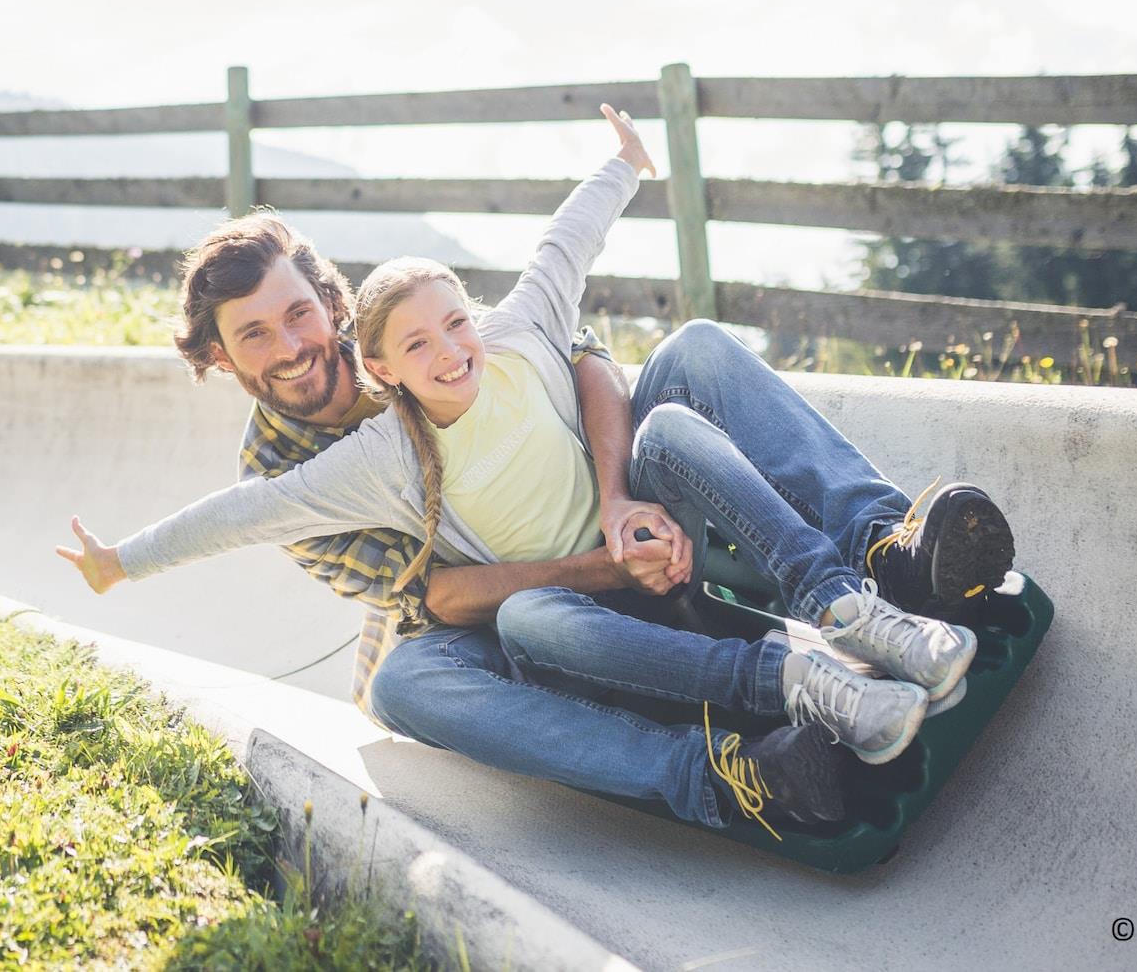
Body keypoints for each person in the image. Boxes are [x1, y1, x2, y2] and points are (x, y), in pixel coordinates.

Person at [59, 106, 1016, 836]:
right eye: (255, 335)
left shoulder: (438, 328)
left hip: (616, 506)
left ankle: (885, 553)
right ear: (220, 356)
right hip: (524, 608)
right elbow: (428, 595)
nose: (291, 345)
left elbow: (578, 340)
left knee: (692, 353)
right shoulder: (304, 473)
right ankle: (723, 773)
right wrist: (122, 561)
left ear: (333, 306)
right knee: (404, 683)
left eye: (298, 314)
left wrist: (619, 499)